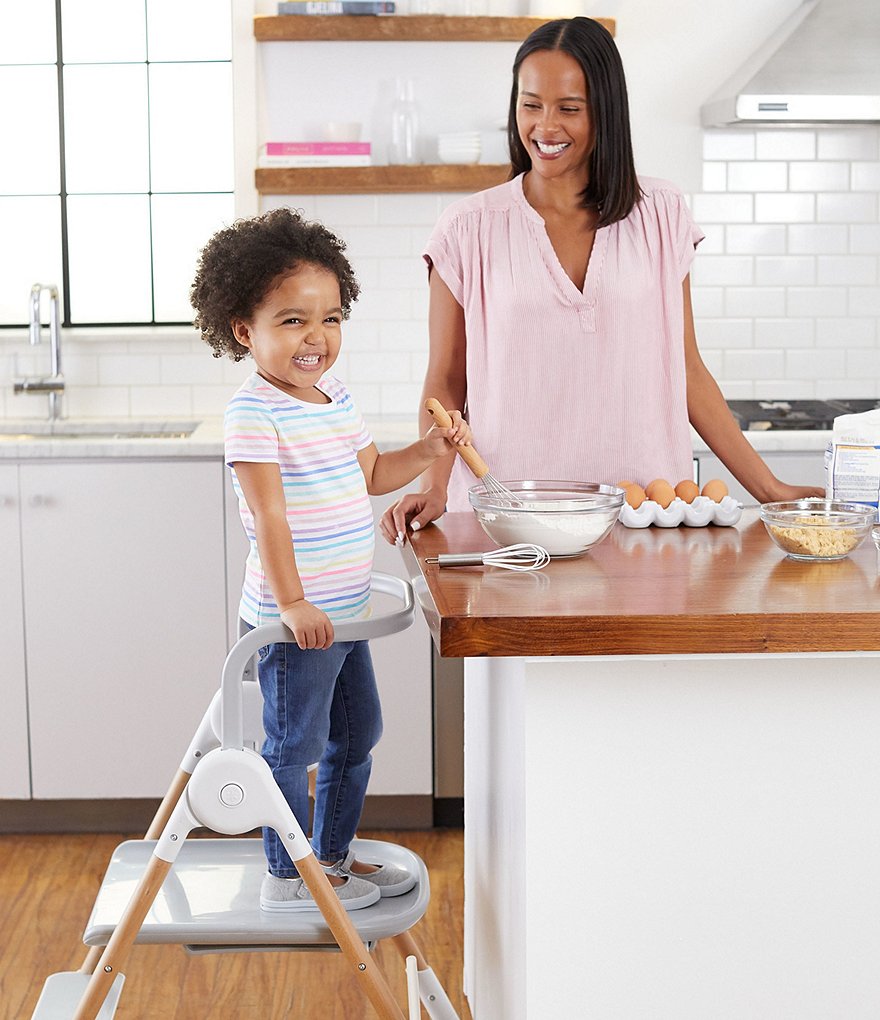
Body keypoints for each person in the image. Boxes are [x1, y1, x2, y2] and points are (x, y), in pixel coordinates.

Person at [379, 16, 821, 544]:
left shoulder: (661, 215)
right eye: (530, 104)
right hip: (507, 523)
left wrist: (769, 489)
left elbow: (686, 370)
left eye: (569, 108)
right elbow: (447, 381)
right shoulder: (467, 228)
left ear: (605, 112)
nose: (545, 127)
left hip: (649, 522)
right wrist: (433, 484)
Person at [191, 208, 470, 911]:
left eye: (330, 318)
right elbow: (269, 514)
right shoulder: (254, 413)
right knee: (296, 745)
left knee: (358, 735)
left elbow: (373, 473)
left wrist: (433, 453)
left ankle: (332, 859)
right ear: (243, 330)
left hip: (343, 613)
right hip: (299, 622)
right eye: (291, 321)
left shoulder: (335, 395)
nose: (316, 338)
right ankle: (289, 877)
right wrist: (292, 604)